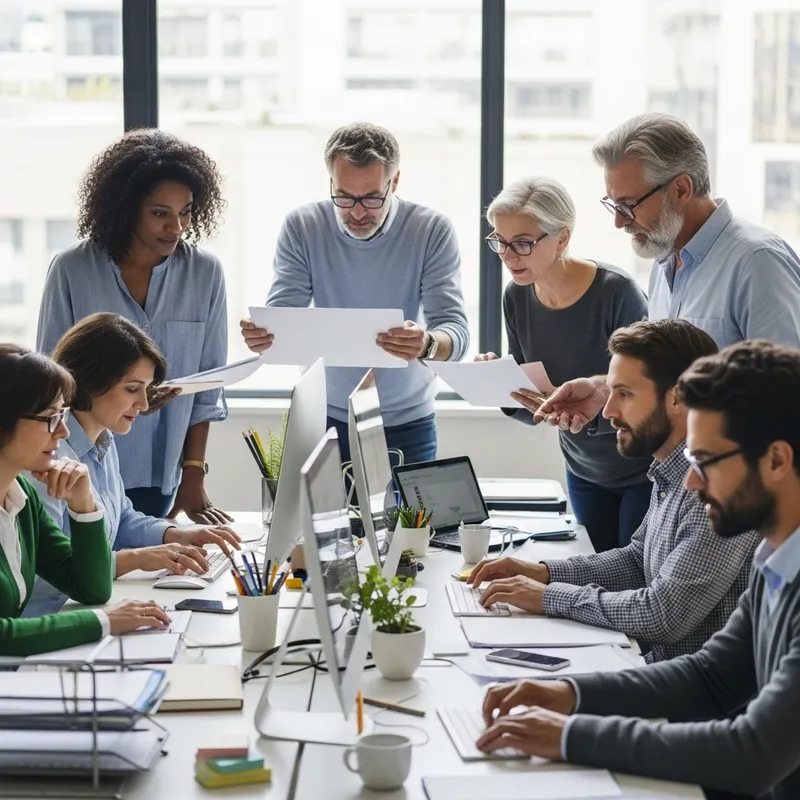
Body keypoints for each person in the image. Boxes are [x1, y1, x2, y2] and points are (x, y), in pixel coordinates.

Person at [476, 339, 800, 800]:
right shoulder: (777, 555)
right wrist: (570, 694)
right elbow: (711, 676)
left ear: (776, 461)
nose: (690, 481)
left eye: (705, 462)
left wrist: (571, 737)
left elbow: (752, 755)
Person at [469, 319, 758, 662]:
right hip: (664, 674)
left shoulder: (716, 490)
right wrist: (543, 571)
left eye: (624, 394)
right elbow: (638, 561)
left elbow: (662, 614)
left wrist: (547, 596)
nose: (607, 412)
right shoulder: (671, 469)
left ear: (678, 398)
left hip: (696, 697)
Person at [535, 112, 800, 434]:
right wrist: (605, 389)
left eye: (629, 205)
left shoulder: (758, 263)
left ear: (681, 190)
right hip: (682, 476)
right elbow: (665, 378)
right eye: (614, 205)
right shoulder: (664, 260)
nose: (619, 222)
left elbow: (786, 396)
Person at [239, 122, 469, 466]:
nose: (358, 212)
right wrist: (267, 333)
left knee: (410, 522)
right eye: (344, 197)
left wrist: (427, 344)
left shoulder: (431, 230)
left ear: (395, 182)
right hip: (324, 417)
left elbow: (456, 332)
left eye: (372, 198)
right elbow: (285, 312)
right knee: (322, 521)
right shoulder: (303, 226)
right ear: (331, 181)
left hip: (407, 421)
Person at [36, 128, 231, 523]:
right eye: (160, 213)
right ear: (127, 208)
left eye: (186, 211)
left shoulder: (205, 273)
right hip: (80, 473)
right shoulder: (72, 269)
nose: (176, 227)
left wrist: (193, 475)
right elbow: (50, 381)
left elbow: (208, 390)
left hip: (164, 479)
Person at [475, 176, 651, 551]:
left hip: (641, 468)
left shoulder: (616, 292)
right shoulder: (517, 296)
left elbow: (648, 393)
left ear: (562, 238)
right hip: (582, 468)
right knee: (595, 574)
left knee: (633, 581)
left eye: (522, 243)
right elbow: (535, 406)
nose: (508, 256)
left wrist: (585, 412)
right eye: (500, 242)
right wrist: (501, 383)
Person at [28, 313, 241, 582]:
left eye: (146, 389)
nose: (143, 404)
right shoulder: (46, 458)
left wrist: (173, 534)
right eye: (132, 389)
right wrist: (140, 558)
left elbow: (121, 518)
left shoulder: (103, 439)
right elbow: (50, 569)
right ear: (90, 381)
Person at [0, 344, 170, 657]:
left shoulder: (18, 496)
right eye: (51, 418)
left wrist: (83, 501)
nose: (63, 432)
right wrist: (103, 621)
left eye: (62, 416)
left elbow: (91, 587)